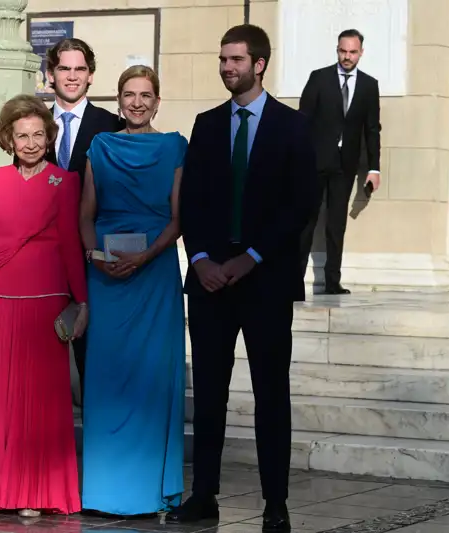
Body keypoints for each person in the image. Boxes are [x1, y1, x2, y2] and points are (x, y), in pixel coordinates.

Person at [167, 25, 318, 532]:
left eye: (236, 59)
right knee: (209, 393)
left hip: (265, 282)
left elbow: (300, 203)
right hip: (210, 284)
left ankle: (275, 504)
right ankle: (204, 495)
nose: (227, 67)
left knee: (271, 394)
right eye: (223, 59)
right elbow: (192, 201)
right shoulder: (207, 124)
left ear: (260, 63)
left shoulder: (293, 126)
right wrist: (203, 258)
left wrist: (251, 257)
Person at [0, 94, 87, 516]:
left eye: (38, 135)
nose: (30, 143)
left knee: (39, 403)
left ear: (49, 137)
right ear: (8, 139)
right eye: (21, 135)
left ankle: (33, 493)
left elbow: (70, 247)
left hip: (44, 303)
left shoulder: (66, 183)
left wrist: (82, 302)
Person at [79, 65, 187, 517]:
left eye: (145, 95)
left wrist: (144, 257)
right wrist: (96, 256)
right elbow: (86, 213)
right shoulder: (100, 146)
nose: (137, 102)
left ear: (158, 101)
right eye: (129, 94)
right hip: (107, 280)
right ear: (118, 100)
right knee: (106, 379)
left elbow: (179, 217)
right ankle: (103, 489)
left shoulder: (175, 146)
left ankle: (147, 487)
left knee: (151, 378)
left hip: (154, 275)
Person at [43, 37, 125, 404]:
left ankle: (96, 454)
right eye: (64, 68)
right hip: (41, 261)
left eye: (79, 69)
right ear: (50, 75)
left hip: (92, 261)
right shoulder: (33, 124)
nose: (71, 77)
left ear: (91, 76)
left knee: (95, 364)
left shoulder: (112, 126)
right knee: (41, 366)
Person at [298, 29, 382, 295]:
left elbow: (372, 129)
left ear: (361, 53)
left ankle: (332, 282)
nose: (347, 57)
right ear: (337, 50)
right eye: (342, 51)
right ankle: (293, 281)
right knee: (306, 221)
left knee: (336, 224)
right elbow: (303, 120)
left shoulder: (369, 85)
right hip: (314, 162)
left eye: (352, 52)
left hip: (345, 166)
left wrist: (374, 168)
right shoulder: (319, 78)